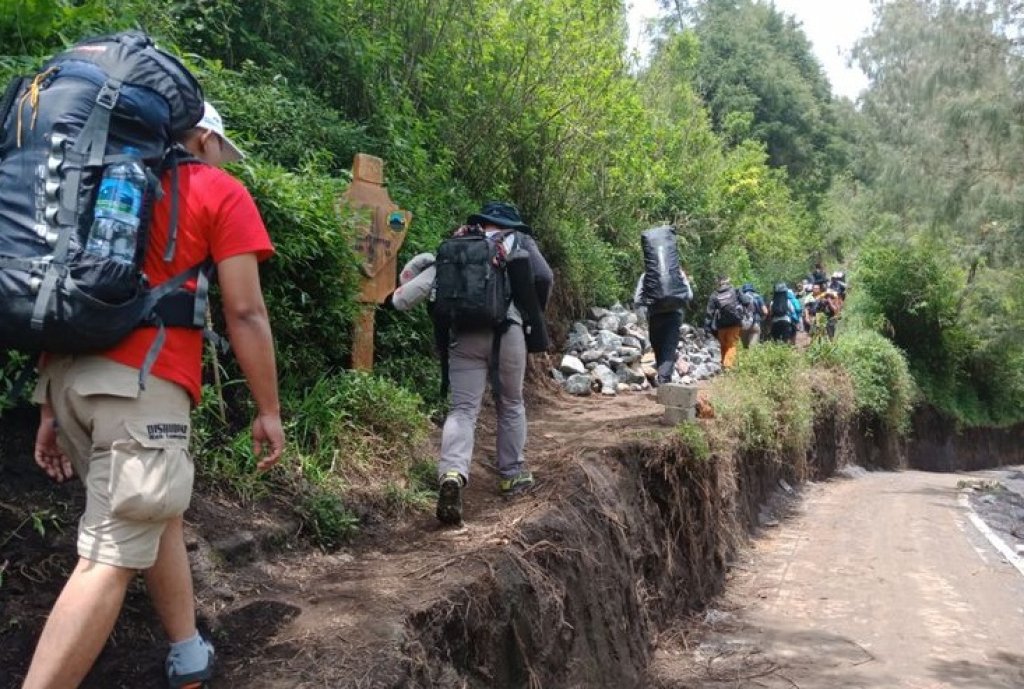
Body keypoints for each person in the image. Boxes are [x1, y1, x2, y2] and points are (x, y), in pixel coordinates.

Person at [23, 102, 285, 689]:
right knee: (107, 558)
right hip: (140, 390)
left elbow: (64, 294)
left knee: (156, 510)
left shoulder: (92, 185)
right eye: (220, 146)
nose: (223, 159)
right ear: (201, 139)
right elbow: (245, 311)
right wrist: (268, 411)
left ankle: (187, 654)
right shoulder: (216, 190)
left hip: (68, 379)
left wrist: (48, 405)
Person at [435, 202, 553, 526]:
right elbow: (544, 276)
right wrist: (531, 310)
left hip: (464, 335)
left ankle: (453, 473)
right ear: (510, 223)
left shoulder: (462, 239)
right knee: (511, 403)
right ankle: (511, 474)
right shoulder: (519, 241)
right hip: (508, 332)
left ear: (482, 221)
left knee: (462, 409)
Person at [633, 267, 693, 385]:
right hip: (674, 316)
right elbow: (689, 296)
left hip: (655, 316)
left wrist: (647, 305)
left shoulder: (647, 274)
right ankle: (664, 382)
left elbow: (637, 299)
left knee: (659, 349)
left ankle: (664, 382)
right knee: (669, 349)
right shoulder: (678, 273)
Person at [704, 275, 750, 369]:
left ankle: (724, 365)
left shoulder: (714, 295)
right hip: (735, 323)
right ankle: (727, 366)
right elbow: (746, 301)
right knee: (732, 344)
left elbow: (709, 313)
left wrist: (707, 328)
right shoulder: (735, 290)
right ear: (728, 282)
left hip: (721, 324)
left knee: (724, 344)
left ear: (718, 283)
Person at [739, 282, 768, 348]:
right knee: (752, 348)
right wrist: (762, 318)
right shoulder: (758, 297)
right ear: (752, 289)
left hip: (743, 325)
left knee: (745, 348)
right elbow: (765, 311)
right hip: (755, 323)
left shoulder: (741, 297)